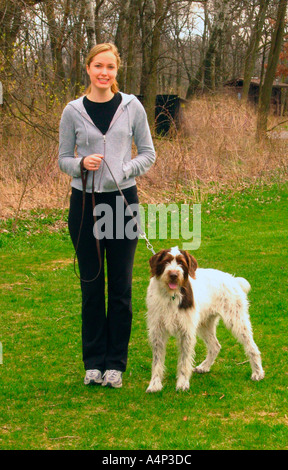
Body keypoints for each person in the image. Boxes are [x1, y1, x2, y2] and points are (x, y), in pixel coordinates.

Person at [58, 43, 155, 388]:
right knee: (91, 285)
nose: (104, 72)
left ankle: (116, 363)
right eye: (98, 65)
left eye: (110, 67)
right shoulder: (72, 111)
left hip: (121, 203)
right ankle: (93, 363)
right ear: (87, 68)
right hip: (84, 204)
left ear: (117, 70)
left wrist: (125, 168)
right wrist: (80, 163)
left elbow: (148, 153)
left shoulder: (131, 107)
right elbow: (62, 160)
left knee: (121, 288)